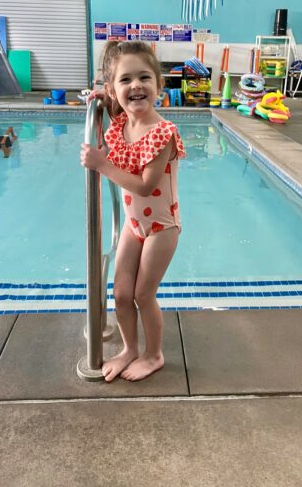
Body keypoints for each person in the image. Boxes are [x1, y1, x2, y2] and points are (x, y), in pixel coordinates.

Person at [80, 41, 186, 382]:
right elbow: (116, 104)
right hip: (133, 225)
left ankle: (154, 355)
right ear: (114, 89)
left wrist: (101, 164)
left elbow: (144, 185)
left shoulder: (162, 133)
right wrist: (100, 99)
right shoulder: (122, 123)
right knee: (122, 294)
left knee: (143, 294)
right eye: (125, 80)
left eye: (144, 77)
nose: (136, 85)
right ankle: (129, 349)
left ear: (159, 85)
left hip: (161, 227)